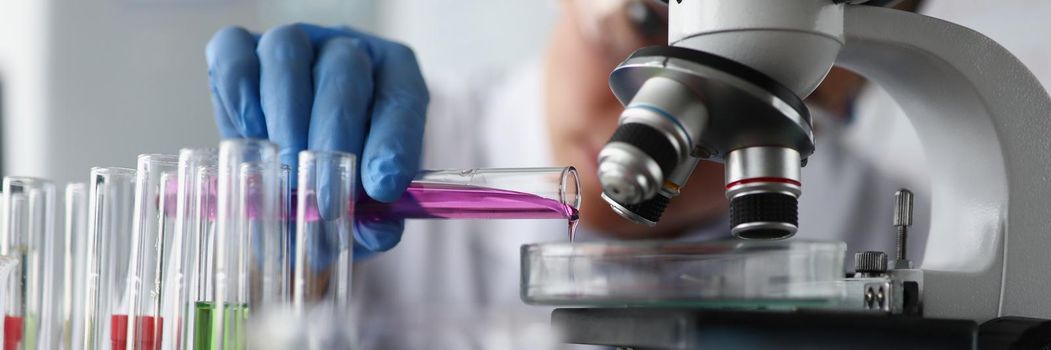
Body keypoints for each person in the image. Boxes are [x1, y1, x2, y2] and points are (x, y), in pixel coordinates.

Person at [205, 0, 928, 347]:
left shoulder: (914, 241)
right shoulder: (382, 148)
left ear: (843, 101)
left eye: (768, 92)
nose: (640, 121)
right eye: (645, 20)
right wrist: (276, 256)